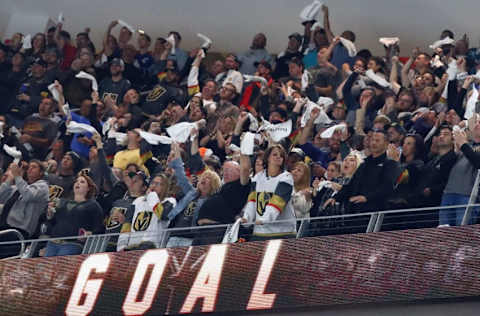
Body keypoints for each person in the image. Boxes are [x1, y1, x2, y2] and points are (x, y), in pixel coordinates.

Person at [242, 145, 297, 240]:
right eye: (274, 154)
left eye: (281, 155)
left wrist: (265, 219)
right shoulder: (257, 177)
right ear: (267, 158)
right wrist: (247, 218)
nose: (278, 157)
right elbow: (252, 201)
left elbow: (278, 202)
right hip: (260, 232)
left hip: (283, 232)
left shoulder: (287, 177)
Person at [44, 175, 103, 257]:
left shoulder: (93, 205)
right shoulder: (63, 202)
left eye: (82, 182)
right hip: (52, 242)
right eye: (76, 181)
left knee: (61, 267)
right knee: (48, 268)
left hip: (72, 243)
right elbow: (53, 223)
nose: (78, 183)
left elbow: (99, 227)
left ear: (89, 188)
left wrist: (89, 233)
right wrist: (50, 216)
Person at [0, 161, 49, 258]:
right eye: (29, 167)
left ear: (41, 173)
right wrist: (11, 178)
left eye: (34, 167)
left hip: (19, 231)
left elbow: (27, 195)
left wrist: (18, 176)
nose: (30, 169)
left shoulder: (43, 187)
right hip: (5, 226)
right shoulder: (20, 186)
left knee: (6, 259)